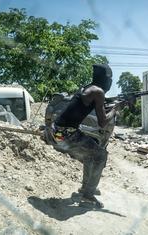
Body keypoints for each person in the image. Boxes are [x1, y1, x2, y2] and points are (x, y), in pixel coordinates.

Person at [51, 64, 122, 208]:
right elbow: (102, 122)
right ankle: (88, 195)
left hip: (56, 131)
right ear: (105, 79)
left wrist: (110, 105)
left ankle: (85, 189)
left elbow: (94, 106)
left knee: (91, 154)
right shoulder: (98, 92)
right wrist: (116, 109)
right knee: (101, 155)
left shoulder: (88, 88)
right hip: (65, 134)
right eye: (110, 80)